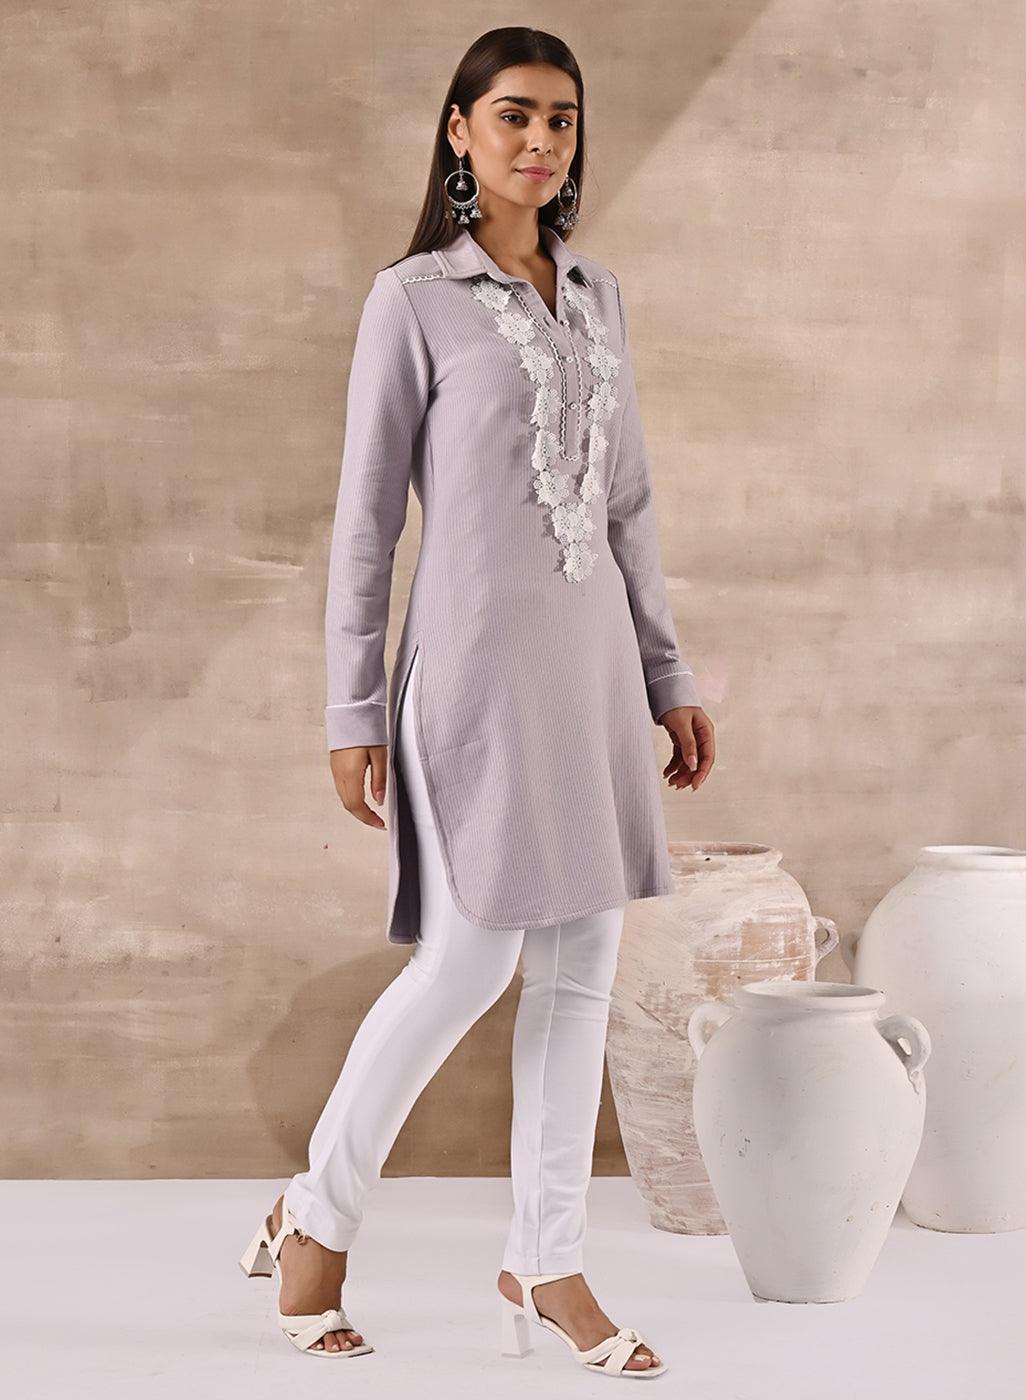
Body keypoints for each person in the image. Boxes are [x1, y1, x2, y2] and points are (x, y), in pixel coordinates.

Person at [238, 24, 715, 1374]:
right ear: (460, 131)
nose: (539, 141)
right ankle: (318, 1214)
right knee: (466, 960)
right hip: (472, 679)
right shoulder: (414, 300)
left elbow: (625, 505)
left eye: (560, 118)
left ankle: (546, 1259)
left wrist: (666, 674)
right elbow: (363, 523)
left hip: (591, 680)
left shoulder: (599, 297)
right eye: (513, 115)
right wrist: (349, 709)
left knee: (580, 972)